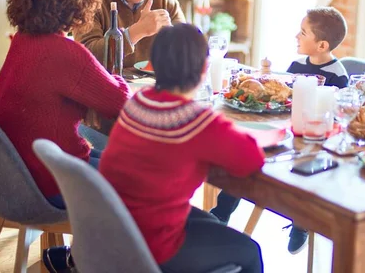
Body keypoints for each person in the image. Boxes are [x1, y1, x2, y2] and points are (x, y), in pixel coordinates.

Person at [0, 0, 131, 272]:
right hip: (48, 179)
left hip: (18, 172)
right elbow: (121, 102)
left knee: (114, 162)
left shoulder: (22, 42)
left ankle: (72, 259)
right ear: (77, 3)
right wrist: (116, 74)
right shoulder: (65, 52)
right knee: (136, 184)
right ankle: (90, 262)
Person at [100, 24, 265, 273]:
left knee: (212, 221)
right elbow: (252, 160)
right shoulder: (196, 121)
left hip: (115, 229)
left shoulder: (137, 102)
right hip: (154, 246)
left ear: (153, 65)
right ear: (204, 69)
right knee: (250, 251)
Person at [211, 6, 350, 255]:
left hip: (314, 141)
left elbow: (336, 113)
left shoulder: (337, 76)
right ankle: (221, 212)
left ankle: (302, 221)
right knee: (247, 158)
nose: (296, 36)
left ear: (322, 45)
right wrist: (266, 76)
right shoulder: (296, 64)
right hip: (286, 130)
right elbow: (283, 96)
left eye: (303, 32)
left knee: (303, 173)